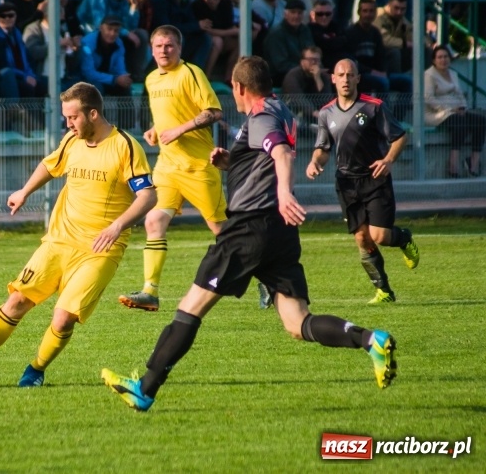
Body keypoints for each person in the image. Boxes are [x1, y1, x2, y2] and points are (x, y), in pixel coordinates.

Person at [101, 56, 398, 412]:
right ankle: (370, 340)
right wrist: (233, 162)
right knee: (297, 322)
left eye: (233, 88)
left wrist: (284, 192)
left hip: (249, 227)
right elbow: (266, 157)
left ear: (239, 87)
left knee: (190, 307)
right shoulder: (280, 110)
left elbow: (282, 154)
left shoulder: (261, 117)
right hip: (279, 232)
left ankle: (145, 388)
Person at [0, 81, 156, 388]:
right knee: (17, 299)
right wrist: (24, 191)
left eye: (73, 117)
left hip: (99, 249)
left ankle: (36, 369)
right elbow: (50, 166)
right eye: (66, 118)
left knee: (63, 318)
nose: (68, 124)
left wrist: (117, 225)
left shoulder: (125, 146)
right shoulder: (72, 141)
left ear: (93, 114)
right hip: (59, 241)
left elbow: (148, 196)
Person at [118, 25, 227, 312]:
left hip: (198, 166)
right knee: (153, 221)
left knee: (222, 231)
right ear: (151, 50)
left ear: (179, 48)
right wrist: (156, 129)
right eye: (159, 46)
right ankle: (150, 292)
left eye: (169, 45)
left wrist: (180, 129)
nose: (164, 50)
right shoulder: (152, 79)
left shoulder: (191, 73)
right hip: (167, 166)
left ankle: (267, 278)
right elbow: (170, 112)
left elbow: (214, 112)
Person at [307, 59, 420, 304]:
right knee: (362, 238)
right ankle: (384, 291)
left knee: (379, 236)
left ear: (358, 78)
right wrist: (315, 161)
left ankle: (404, 238)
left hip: (375, 178)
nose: (345, 79)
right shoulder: (326, 113)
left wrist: (388, 160)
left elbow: (400, 137)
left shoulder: (374, 107)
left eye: (350, 75)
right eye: (341, 75)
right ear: (333, 79)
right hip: (347, 183)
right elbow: (323, 148)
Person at [424, 45, 486, 178]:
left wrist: (463, 107)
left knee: (481, 121)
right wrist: (450, 109)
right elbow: (428, 99)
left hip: (456, 111)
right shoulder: (429, 75)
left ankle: (473, 162)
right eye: (440, 57)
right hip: (437, 114)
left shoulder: (453, 74)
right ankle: (453, 164)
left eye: (446, 56)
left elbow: (460, 95)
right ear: (434, 60)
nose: (443, 60)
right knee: (460, 122)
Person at [77, 0, 148, 82]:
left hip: (113, 32)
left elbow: (131, 27)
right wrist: (125, 33)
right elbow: (99, 23)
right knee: (114, 35)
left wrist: (133, 7)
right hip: (89, 32)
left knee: (140, 35)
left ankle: (135, 76)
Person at [150, 0, 212, 70]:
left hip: (182, 38)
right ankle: (172, 70)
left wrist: (200, 26)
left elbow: (191, 22)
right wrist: (197, 25)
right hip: (164, 39)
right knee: (178, 37)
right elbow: (167, 28)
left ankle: (194, 71)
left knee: (206, 39)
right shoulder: (161, 0)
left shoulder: (186, 1)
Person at [0, 2, 47, 98]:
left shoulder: (17, 33)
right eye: (3, 16)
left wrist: (30, 75)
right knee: (27, 88)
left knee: (46, 85)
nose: (7, 18)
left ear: (15, 16)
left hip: (24, 74)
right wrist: (24, 76)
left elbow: (28, 59)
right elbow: (1, 64)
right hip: (7, 77)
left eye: (11, 15)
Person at [262, 0, 315, 87]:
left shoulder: (305, 30)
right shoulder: (276, 34)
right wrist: (305, 68)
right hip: (280, 77)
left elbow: (313, 51)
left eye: (299, 13)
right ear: (285, 14)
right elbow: (281, 65)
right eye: (293, 12)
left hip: (304, 72)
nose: (296, 16)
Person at [79, 16, 132, 97]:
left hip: (107, 78)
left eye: (116, 30)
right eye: (109, 29)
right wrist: (114, 79)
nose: (112, 33)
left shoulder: (119, 43)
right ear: (101, 28)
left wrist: (124, 78)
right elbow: (88, 73)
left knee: (125, 87)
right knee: (97, 88)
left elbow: (120, 68)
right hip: (84, 79)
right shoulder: (87, 43)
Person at [280, 45, 333, 124]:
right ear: (302, 62)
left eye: (317, 60)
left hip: (320, 116)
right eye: (310, 59)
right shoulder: (293, 76)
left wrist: (318, 78)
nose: (314, 63)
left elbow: (326, 98)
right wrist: (313, 112)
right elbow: (298, 98)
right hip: (296, 114)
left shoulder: (323, 76)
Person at [190, 0, 227, 80]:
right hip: (201, 38)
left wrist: (233, 31)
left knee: (239, 41)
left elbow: (229, 26)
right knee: (216, 41)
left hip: (222, 38)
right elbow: (206, 30)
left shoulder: (226, 3)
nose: (211, 0)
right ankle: (207, 76)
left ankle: (229, 78)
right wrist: (233, 31)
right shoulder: (197, 5)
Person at [307, 0, 349, 71]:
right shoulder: (309, 29)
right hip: (321, 69)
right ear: (313, 14)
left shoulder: (338, 27)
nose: (324, 17)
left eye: (328, 14)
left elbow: (345, 43)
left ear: (332, 14)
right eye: (320, 14)